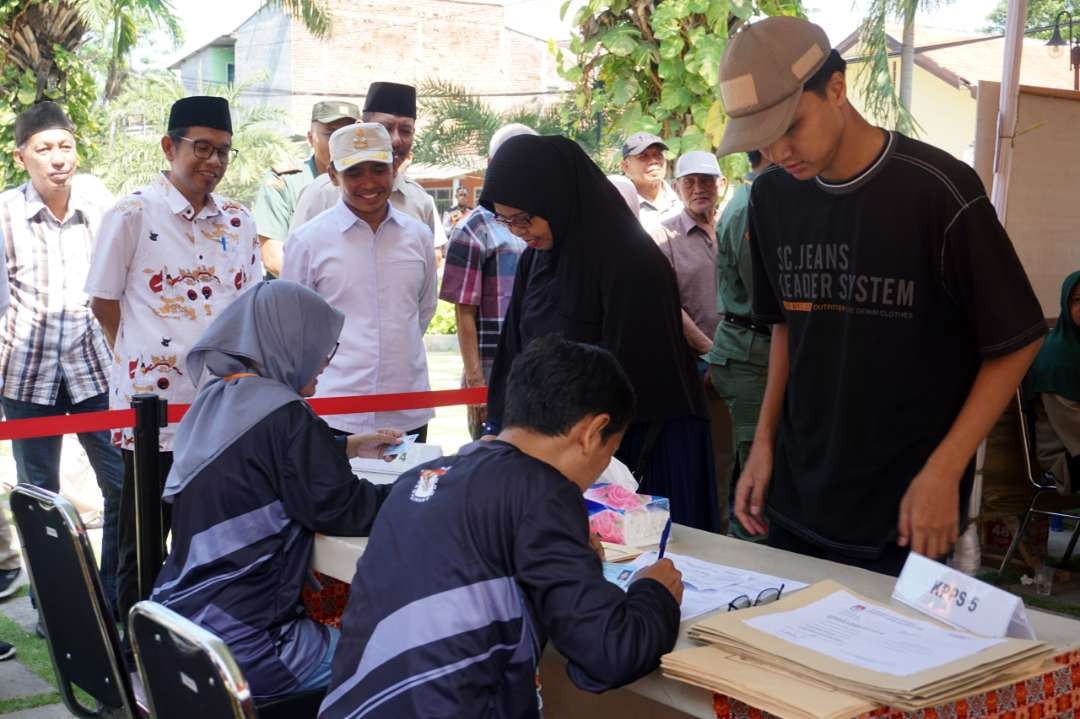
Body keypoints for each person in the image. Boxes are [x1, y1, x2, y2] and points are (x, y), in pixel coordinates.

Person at [719, 17, 1046, 575]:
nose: (778, 152)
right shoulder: (772, 197)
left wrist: (946, 468)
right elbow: (785, 325)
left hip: (907, 510)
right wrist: (764, 441)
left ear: (837, 89)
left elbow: (1016, 339)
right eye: (761, 140)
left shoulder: (939, 191)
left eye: (791, 126)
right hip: (799, 494)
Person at [319, 336, 683, 718]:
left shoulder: (420, 478)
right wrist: (653, 591)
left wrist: (574, 559)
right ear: (594, 432)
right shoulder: (545, 493)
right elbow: (608, 653)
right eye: (610, 452)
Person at [150, 280, 400, 698]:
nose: (324, 361)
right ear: (290, 341)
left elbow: (253, 463)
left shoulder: (218, 395)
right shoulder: (286, 414)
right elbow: (344, 508)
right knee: (395, 661)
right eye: (322, 346)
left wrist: (345, 446)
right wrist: (423, 486)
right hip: (248, 646)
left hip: (178, 622)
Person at [480, 134, 719, 532]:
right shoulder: (537, 259)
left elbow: (631, 373)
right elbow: (515, 354)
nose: (518, 231)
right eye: (506, 220)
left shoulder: (630, 260)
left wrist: (569, 447)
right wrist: (502, 430)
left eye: (524, 218)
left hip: (636, 444)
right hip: (567, 446)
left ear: (555, 199)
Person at [87, 95, 262, 623]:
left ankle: (192, 650)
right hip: (151, 419)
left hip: (220, 415)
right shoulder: (132, 212)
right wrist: (140, 360)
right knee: (139, 547)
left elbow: (252, 304)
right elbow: (103, 300)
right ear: (170, 146)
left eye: (223, 152)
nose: (212, 162)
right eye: (201, 148)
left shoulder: (238, 219)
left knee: (206, 542)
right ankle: (133, 663)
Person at [0, 102, 124, 618]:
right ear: (21, 156)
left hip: (94, 370)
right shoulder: (6, 213)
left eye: (65, 146)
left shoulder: (99, 203)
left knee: (122, 482)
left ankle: (115, 593)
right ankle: (55, 606)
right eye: (44, 149)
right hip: (26, 378)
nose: (58, 159)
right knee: (39, 495)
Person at [282, 123, 436, 439]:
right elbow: (293, 326)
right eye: (354, 173)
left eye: (378, 169)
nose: (368, 183)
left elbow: (423, 310)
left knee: (404, 489)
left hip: (406, 405)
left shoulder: (418, 236)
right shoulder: (308, 241)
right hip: (333, 409)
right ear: (333, 176)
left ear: (394, 169)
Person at [439, 123, 535, 439]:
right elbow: (464, 311)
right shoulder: (473, 229)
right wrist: (477, 380)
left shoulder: (548, 224)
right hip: (493, 367)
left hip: (539, 363)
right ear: (493, 165)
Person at [655, 150, 732, 534]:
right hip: (702, 371)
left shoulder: (734, 227)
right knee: (717, 461)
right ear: (676, 188)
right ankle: (722, 541)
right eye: (690, 182)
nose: (699, 189)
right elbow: (670, 307)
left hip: (745, 366)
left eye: (706, 180)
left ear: (722, 185)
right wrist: (712, 353)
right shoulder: (664, 235)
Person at [289, 82, 447, 251]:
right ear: (360, 127)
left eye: (405, 130)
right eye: (385, 128)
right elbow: (296, 262)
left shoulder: (420, 201)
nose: (396, 140)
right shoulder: (320, 193)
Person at [708, 149, 771, 536]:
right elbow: (769, 299)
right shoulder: (751, 207)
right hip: (750, 352)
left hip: (754, 348)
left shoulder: (759, 200)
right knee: (753, 482)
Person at [253, 100, 358, 277]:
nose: (340, 141)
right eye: (331, 133)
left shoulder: (368, 187)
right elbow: (272, 256)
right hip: (296, 296)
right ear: (310, 138)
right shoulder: (284, 182)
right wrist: (323, 289)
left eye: (347, 134)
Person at [1026, 271, 1080, 494]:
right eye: (1077, 300)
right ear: (1065, 305)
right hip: (1065, 460)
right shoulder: (1056, 359)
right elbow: (1075, 430)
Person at [619, 132, 682, 234]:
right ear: (626, 166)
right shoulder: (621, 206)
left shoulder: (682, 198)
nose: (653, 161)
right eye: (643, 156)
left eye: (658, 154)